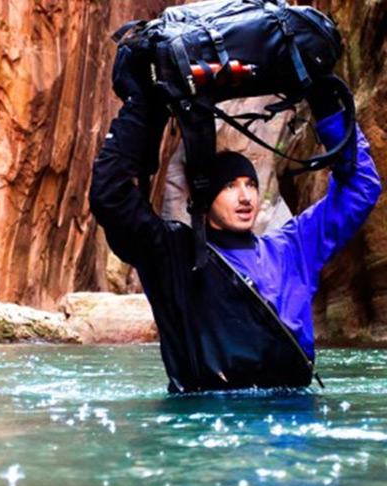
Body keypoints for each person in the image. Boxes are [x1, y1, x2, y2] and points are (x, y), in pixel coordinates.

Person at [89, 46, 382, 393]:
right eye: (229, 186)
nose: (245, 196)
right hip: (204, 434)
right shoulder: (171, 256)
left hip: (291, 435)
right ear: (203, 199)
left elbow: (360, 188)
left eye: (251, 185)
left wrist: (326, 104)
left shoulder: (292, 249)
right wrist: (141, 108)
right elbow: (111, 198)